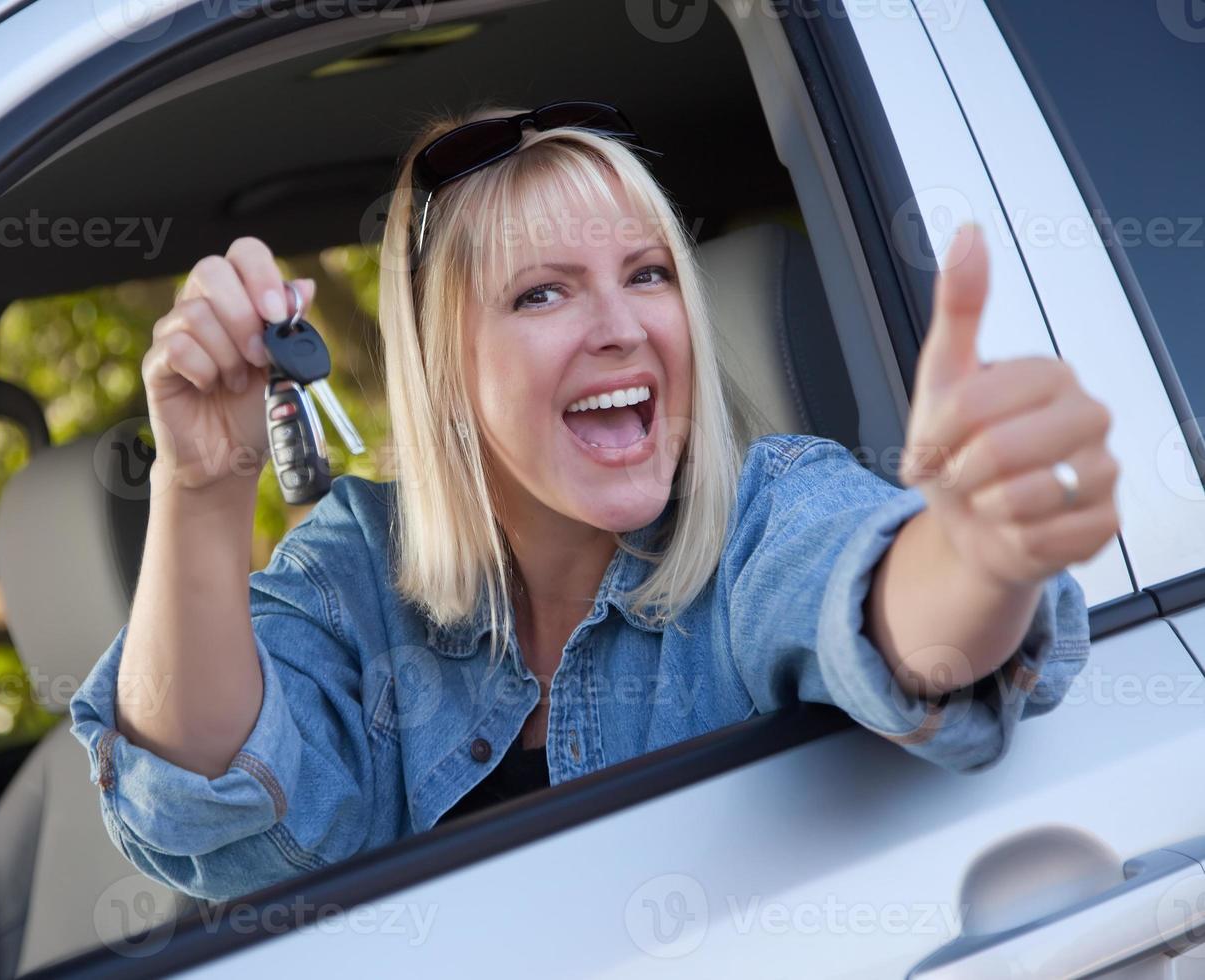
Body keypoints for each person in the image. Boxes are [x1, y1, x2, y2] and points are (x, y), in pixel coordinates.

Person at [70, 101, 1115, 902]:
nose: (621, 325)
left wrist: (978, 551)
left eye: (649, 274)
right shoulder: (360, 566)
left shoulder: (765, 514)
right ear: (447, 372)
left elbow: (898, 616)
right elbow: (198, 788)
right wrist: (201, 485)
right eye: (543, 291)